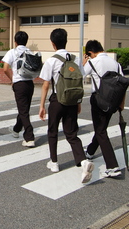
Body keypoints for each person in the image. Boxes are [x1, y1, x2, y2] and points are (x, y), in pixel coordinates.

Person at [39, 28, 93, 184]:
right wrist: (78, 102)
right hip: (71, 101)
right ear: (66, 41)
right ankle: (83, 161)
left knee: (53, 131)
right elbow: (79, 80)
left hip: (57, 100)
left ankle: (54, 163)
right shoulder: (75, 59)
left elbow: (45, 85)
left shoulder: (51, 60)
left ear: (53, 43)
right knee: (71, 133)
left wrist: (42, 105)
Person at [82, 40, 124, 178]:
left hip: (98, 100)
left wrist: (84, 62)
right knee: (101, 128)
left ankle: (112, 166)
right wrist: (121, 104)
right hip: (113, 101)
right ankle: (90, 152)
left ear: (90, 53)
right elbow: (122, 84)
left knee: (100, 131)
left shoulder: (92, 62)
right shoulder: (115, 64)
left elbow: (80, 75)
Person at [2, 31, 36, 148]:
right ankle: (16, 129)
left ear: (15, 41)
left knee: (23, 111)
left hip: (19, 84)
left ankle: (29, 137)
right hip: (30, 84)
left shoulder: (12, 52)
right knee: (24, 108)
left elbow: (5, 68)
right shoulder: (30, 52)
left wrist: (12, 79)